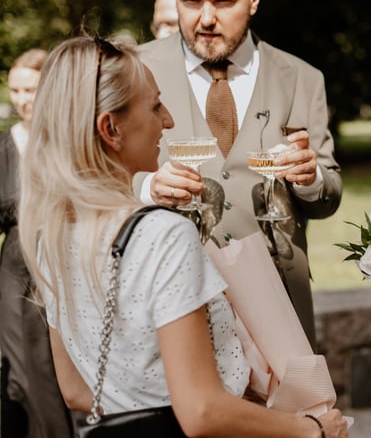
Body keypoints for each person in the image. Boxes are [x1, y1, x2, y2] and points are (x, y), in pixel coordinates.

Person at [17, 35, 348, 437]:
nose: (169, 120)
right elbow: (201, 411)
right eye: (155, 106)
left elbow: (75, 390)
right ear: (111, 129)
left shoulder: (51, 233)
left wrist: (140, 406)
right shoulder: (162, 233)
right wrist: (310, 428)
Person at [134, 0, 342, 349]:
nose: (206, 19)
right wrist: (146, 186)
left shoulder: (301, 78)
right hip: (168, 303)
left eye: (223, 2)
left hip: (278, 307)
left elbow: (329, 197)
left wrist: (311, 178)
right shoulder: (133, 70)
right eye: (192, 2)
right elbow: (91, 181)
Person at [0, 48, 73, 437]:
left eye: (30, 89)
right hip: (16, 269)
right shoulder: (4, 146)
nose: (22, 99)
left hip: (62, 262)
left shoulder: (67, 141)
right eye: (16, 90)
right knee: (22, 370)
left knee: (55, 367)